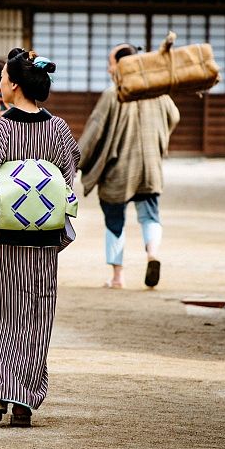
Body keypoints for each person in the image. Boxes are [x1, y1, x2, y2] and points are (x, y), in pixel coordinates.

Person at [0, 49, 80, 427]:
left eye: (2, 78)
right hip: (45, 237)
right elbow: (68, 179)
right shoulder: (59, 129)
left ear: (12, 84)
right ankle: (25, 399)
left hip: (3, 237)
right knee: (36, 311)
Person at [78, 43, 180, 290]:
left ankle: (118, 276)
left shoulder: (114, 93)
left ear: (122, 65)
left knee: (115, 220)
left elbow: (94, 132)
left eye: (110, 62)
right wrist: (158, 141)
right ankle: (152, 254)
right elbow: (174, 116)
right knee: (150, 215)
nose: (108, 67)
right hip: (149, 168)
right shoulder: (157, 92)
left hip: (118, 170)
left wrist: (75, 159)